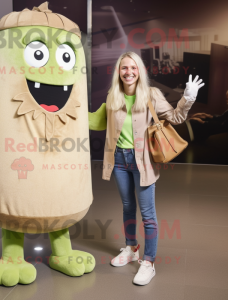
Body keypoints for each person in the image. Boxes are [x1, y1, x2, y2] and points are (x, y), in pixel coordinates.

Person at [88, 51, 204, 285]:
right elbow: (98, 121)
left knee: (148, 216)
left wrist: (188, 98)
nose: (128, 72)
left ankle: (148, 262)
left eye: (133, 68)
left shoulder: (151, 94)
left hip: (143, 161)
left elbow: (175, 117)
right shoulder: (113, 95)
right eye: (124, 68)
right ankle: (131, 248)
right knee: (128, 207)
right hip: (119, 160)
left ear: (139, 70)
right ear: (118, 72)